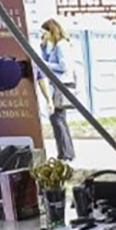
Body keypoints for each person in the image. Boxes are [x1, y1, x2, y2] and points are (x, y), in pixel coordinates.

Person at [38, 19, 76, 162]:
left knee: (57, 118)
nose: (44, 35)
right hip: (60, 84)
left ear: (51, 31)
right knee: (60, 118)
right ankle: (67, 153)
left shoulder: (61, 45)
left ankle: (65, 154)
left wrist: (45, 64)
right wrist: (43, 48)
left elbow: (63, 66)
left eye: (45, 32)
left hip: (62, 85)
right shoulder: (56, 46)